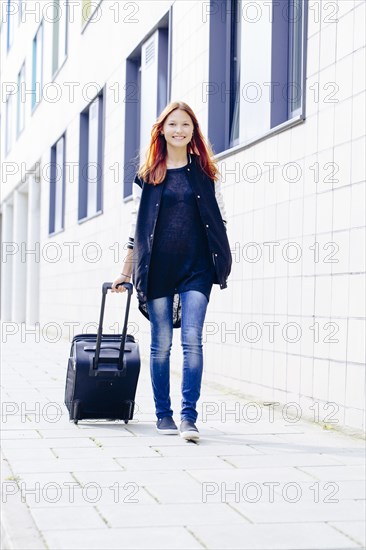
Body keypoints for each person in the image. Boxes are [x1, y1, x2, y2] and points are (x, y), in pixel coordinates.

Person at [111, 100, 232, 441]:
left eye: (186, 125)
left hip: (196, 267)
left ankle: (188, 417)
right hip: (158, 267)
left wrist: (220, 258)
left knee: (192, 338)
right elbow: (137, 228)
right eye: (173, 124)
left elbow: (219, 217)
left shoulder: (206, 172)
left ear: (193, 132)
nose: (179, 130)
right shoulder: (148, 175)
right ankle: (163, 414)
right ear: (162, 130)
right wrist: (125, 271)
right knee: (161, 343)